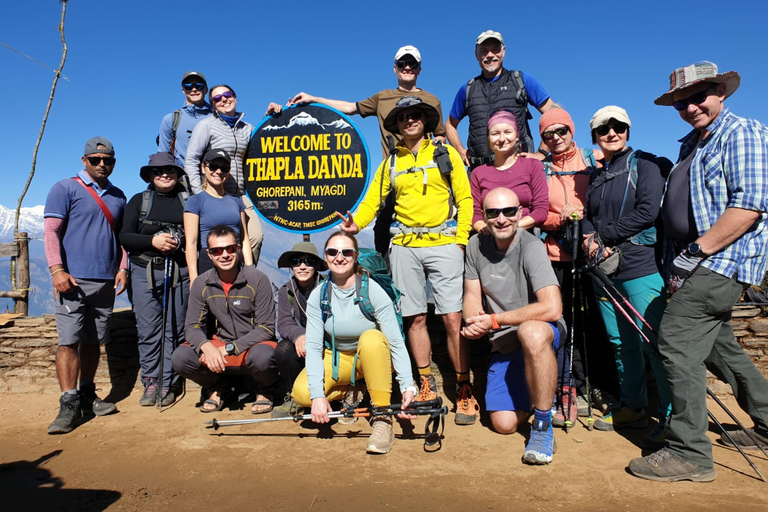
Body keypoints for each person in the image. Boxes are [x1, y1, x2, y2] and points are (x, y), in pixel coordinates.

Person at [629, 61, 768, 482]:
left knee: (674, 341)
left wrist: (696, 251)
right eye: (681, 102)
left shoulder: (741, 133)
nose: (690, 107)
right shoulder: (694, 142)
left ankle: (690, 452)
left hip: (719, 262)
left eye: (698, 97)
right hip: (693, 263)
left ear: (720, 93)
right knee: (717, 345)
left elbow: (749, 206)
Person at [338, 96, 478, 425]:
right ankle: (426, 383)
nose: (409, 121)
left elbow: (466, 198)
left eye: (416, 115)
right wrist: (356, 222)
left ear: (425, 121)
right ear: (397, 124)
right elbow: (375, 198)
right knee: (414, 318)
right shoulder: (392, 162)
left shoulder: (445, 154)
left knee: (452, 318)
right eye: (403, 117)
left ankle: (462, 385)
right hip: (403, 244)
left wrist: (459, 242)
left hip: (443, 242)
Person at [288, 45, 447, 257]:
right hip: (391, 179)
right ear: (395, 69)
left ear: (419, 69)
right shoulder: (383, 97)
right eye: (402, 63)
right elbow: (350, 108)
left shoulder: (432, 101)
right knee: (382, 236)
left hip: (422, 184)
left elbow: (440, 135)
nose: (407, 67)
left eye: (412, 64)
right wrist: (314, 99)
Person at [581, 106, 672, 446]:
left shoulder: (644, 166)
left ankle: (671, 417)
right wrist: (590, 236)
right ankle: (633, 405)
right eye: (603, 129)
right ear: (595, 137)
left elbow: (649, 211)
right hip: (605, 272)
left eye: (618, 127)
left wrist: (603, 238)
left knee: (653, 344)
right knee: (622, 344)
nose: (612, 133)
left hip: (640, 268)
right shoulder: (598, 176)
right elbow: (589, 214)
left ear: (628, 130)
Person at [462, 187, 564, 464]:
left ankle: (543, 425)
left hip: (541, 333)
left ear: (520, 214)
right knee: (504, 424)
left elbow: (552, 307)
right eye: (493, 213)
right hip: (505, 343)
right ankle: (540, 392)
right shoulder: (475, 245)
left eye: (509, 211)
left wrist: (493, 320)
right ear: (484, 216)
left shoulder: (531, 246)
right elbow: (472, 294)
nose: (501, 219)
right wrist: (474, 320)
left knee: (529, 331)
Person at [291, 232, 418, 454]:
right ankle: (354, 390)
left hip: (374, 358)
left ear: (355, 256)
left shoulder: (372, 291)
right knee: (302, 395)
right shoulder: (319, 296)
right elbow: (312, 347)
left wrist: (407, 384)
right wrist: (318, 397)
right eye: (332, 252)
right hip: (340, 359)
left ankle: (382, 416)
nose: (339, 257)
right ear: (326, 257)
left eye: (346, 252)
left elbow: (396, 341)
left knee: (372, 338)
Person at [44, 137, 127, 434]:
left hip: (105, 280)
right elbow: (51, 232)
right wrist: (57, 270)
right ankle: (68, 402)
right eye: (96, 160)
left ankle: (87, 394)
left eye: (108, 160)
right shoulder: (64, 188)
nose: (102, 164)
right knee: (68, 341)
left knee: (93, 340)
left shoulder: (118, 196)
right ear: (84, 161)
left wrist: (123, 267)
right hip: (72, 280)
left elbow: (121, 238)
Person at [538, 108, 608, 426]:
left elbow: (604, 199)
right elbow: (535, 211)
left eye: (560, 131)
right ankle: (567, 386)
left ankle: (597, 386)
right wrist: (559, 218)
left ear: (572, 130)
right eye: (547, 134)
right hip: (555, 255)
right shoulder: (540, 169)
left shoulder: (593, 161)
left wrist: (579, 211)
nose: (555, 138)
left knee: (596, 323)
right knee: (562, 325)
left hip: (590, 253)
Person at [172, 225, 279, 414]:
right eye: (217, 251)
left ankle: (265, 389)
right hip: (220, 344)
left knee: (263, 357)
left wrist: (230, 348)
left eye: (230, 249)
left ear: (238, 248)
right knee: (180, 358)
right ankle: (217, 386)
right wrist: (207, 346)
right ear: (209, 254)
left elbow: (266, 328)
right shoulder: (201, 283)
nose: (224, 255)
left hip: (252, 347)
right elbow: (191, 327)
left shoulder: (257, 279)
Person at [120, 152, 189, 407]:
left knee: (175, 327)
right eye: (158, 171)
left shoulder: (187, 201)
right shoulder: (139, 201)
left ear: (177, 174)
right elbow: (125, 237)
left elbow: (197, 238)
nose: (164, 175)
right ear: (150, 176)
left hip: (180, 272)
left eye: (169, 170)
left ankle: (168, 381)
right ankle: (151, 380)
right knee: (148, 328)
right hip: (144, 272)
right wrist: (153, 241)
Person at [185, 84, 281, 265]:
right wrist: (200, 194)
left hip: (241, 196)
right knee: (217, 244)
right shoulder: (206, 126)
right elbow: (191, 160)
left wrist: (268, 117)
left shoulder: (246, 128)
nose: (223, 100)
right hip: (215, 195)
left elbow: (261, 142)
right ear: (213, 105)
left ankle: (244, 276)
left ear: (235, 98)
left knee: (255, 238)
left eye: (227, 95)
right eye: (217, 98)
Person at [446, 30, 556, 169]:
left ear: (503, 51)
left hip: (518, 169)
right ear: (476, 55)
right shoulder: (467, 89)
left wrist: (542, 152)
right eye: (484, 51)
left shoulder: (522, 80)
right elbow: (450, 125)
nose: (490, 55)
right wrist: (460, 151)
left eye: (495, 49)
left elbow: (555, 115)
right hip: (479, 171)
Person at [469, 109, 548, 234]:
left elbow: (541, 210)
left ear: (517, 136)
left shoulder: (533, 166)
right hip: (488, 237)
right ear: (488, 139)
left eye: (508, 132)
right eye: (495, 133)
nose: (501, 139)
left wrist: (508, 229)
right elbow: (475, 213)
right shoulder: (478, 173)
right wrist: (488, 230)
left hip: (524, 235)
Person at [272, 242, 327, 417]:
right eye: (296, 261)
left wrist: (311, 338)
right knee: (283, 350)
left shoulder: (328, 288)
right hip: (300, 348)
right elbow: (284, 323)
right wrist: (299, 336)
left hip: (326, 344)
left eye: (308, 261)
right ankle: (294, 396)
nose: (302, 266)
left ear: (317, 266)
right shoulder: (286, 291)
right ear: (291, 266)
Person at [184, 149, 253, 285]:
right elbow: (191, 243)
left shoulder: (237, 201)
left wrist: (250, 270)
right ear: (203, 168)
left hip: (234, 258)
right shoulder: (195, 201)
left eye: (224, 168)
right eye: (213, 166)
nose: (219, 171)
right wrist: (194, 278)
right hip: (208, 261)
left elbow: (244, 239)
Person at [158, 71, 212, 166]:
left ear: (206, 90)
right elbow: (163, 156)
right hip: (182, 178)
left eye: (199, 86)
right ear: (183, 90)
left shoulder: (217, 117)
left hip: (213, 177)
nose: (194, 89)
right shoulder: (171, 119)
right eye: (188, 86)